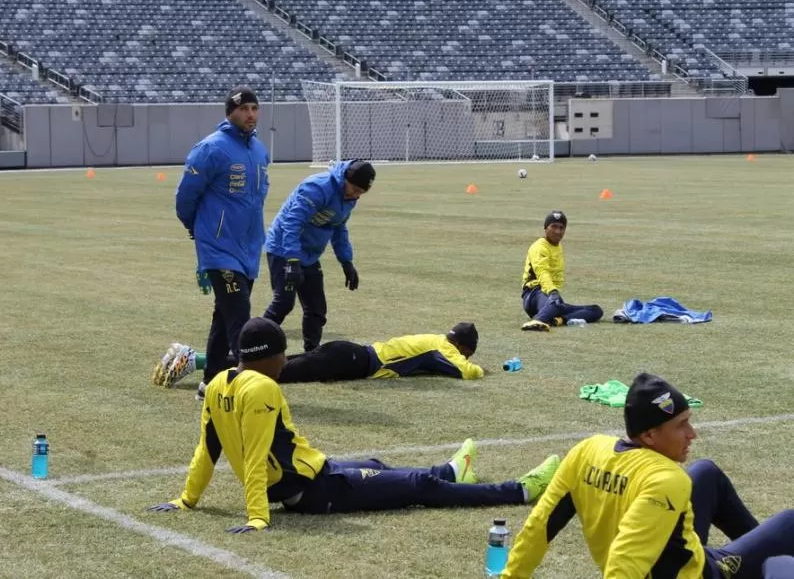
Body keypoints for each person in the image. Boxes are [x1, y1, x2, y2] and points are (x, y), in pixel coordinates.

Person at [147, 317, 561, 533]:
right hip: (314, 491)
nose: (285, 362)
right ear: (268, 356)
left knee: (376, 464)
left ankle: (452, 471)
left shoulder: (221, 382)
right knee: (420, 488)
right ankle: (520, 490)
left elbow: (208, 447)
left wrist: (187, 499)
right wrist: (258, 516)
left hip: (316, 472)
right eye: (283, 356)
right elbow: (255, 457)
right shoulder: (261, 390)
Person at [501, 372, 794, 578]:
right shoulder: (667, 480)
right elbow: (624, 560)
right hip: (697, 573)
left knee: (706, 472)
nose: (692, 434)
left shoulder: (587, 450)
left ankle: (767, 565)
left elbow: (539, 526)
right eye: (681, 425)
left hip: (668, 556)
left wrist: (513, 576)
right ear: (650, 435)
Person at [174, 86, 270, 400]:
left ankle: (210, 383)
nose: (250, 115)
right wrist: (198, 230)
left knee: (223, 314)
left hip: (249, 248)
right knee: (239, 314)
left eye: (254, 109)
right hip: (218, 248)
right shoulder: (211, 148)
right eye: (244, 109)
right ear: (230, 112)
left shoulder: (260, 150)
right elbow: (186, 196)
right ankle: (245, 387)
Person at [151, 322, 485, 388]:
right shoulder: (443, 347)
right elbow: (463, 372)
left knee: (279, 365)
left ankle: (193, 359)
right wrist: (482, 370)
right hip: (353, 360)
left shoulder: (433, 340)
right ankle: (193, 360)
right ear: (463, 347)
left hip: (349, 354)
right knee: (275, 372)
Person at [262, 159, 376, 352]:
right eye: (355, 189)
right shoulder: (316, 188)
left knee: (316, 309)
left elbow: (339, 227)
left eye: (361, 193)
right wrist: (292, 261)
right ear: (345, 178)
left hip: (309, 255)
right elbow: (292, 224)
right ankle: (252, 346)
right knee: (283, 303)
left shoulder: (349, 198)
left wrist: (346, 261)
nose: (356, 196)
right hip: (283, 249)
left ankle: (312, 353)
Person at [520, 210, 604, 331]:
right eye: (553, 227)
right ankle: (538, 320)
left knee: (596, 310)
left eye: (561, 228)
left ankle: (559, 320)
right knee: (556, 304)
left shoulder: (558, 246)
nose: (558, 231)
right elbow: (542, 272)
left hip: (552, 296)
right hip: (533, 294)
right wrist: (553, 292)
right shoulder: (539, 247)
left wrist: (554, 295)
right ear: (545, 228)